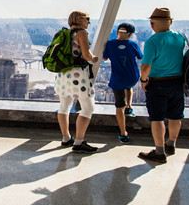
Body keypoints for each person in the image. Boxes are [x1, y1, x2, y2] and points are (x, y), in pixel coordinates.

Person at [137, 7, 186, 164]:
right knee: (175, 116)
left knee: (157, 118)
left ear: (152, 24)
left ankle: (159, 152)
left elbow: (145, 67)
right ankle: (171, 144)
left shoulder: (153, 41)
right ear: (170, 22)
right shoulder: (180, 38)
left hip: (158, 83)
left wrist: (144, 81)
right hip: (177, 82)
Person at [55, 11, 100, 154]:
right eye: (87, 19)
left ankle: (66, 137)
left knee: (64, 106)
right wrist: (94, 59)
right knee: (88, 107)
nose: (88, 22)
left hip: (63, 74)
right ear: (81, 20)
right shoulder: (82, 33)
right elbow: (86, 55)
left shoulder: (65, 33)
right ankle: (79, 142)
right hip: (78, 75)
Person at [102, 22, 142, 143]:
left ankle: (123, 133)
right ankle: (129, 106)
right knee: (129, 87)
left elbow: (104, 58)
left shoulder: (110, 44)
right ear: (130, 35)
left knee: (119, 106)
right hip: (132, 76)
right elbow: (140, 56)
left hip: (117, 78)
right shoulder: (133, 44)